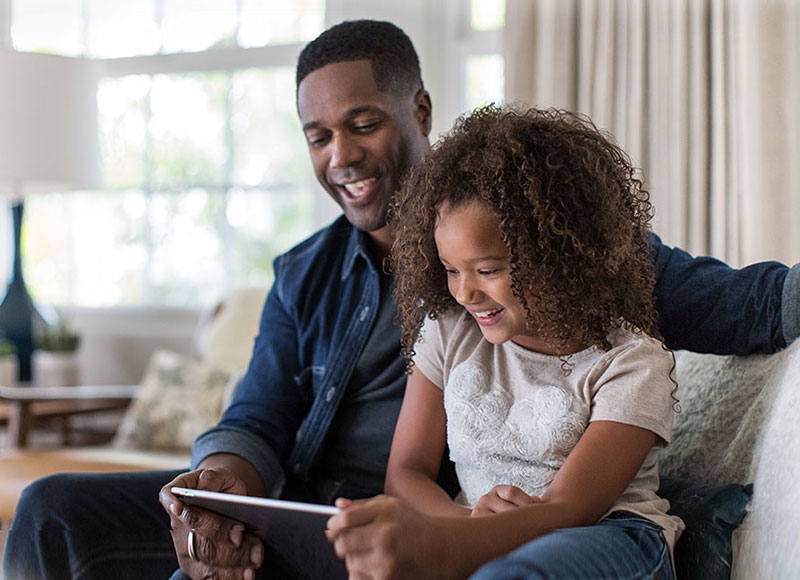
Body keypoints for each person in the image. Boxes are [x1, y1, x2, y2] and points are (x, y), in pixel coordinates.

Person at [3, 19, 798, 580]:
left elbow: (752, 303)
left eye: (362, 123)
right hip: (309, 511)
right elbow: (255, 419)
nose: (341, 155)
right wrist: (219, 488)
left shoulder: (563, 256)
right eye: (318, 136)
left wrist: (450, 532)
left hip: (428, 524)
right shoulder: (302, 275)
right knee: (51, 508)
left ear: (418, 111)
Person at [327, 104, 682, 579]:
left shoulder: (632, 363)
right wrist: (463, 525)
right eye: (452, 270)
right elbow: (405, 473)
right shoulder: (449, 331)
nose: (465, 292)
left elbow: (568, 509)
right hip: (474, 534)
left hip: (611, 536)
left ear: (555, 256)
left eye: (488, 270)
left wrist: (447, 543)